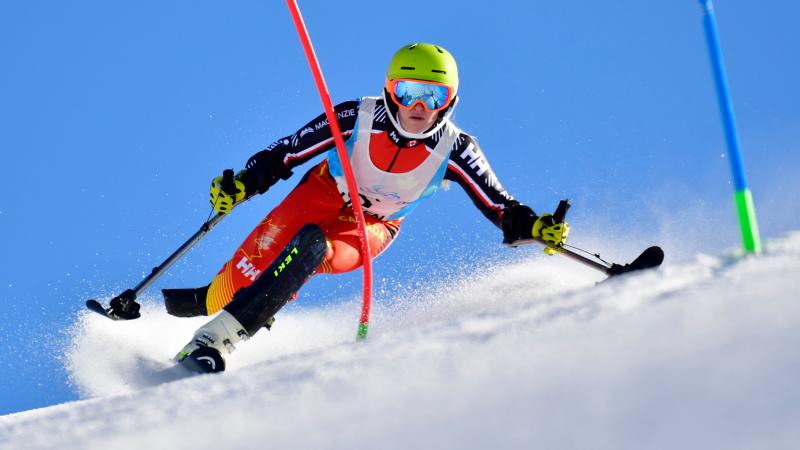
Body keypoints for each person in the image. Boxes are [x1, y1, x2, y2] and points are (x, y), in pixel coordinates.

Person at [166, 43, 570, 372]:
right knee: (235, 284)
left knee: (312, 247)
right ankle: (198, 304)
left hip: (375, 225)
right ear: (389, 90)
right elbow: (287, 153)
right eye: (407, 91)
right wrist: (241, 184)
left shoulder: (457, 148)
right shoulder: (354, 117)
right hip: (321, 193)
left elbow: (500, 205)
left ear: (450, 102)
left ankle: (212, 343)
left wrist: (534, 226)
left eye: (434, 95)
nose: (419, 106)